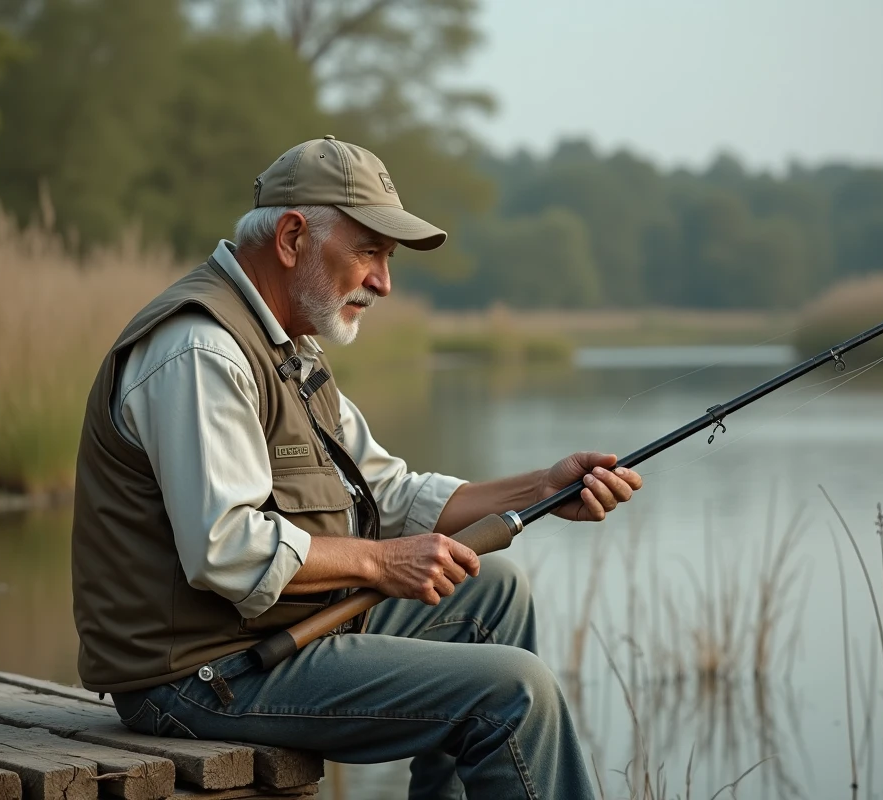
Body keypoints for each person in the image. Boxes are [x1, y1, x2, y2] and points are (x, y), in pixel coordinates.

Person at [70, 135, 643, 800]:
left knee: (495, 591)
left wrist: (541, 486)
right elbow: (223, 548)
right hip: (199, 677)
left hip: (277, 636)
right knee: (517, 693)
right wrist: (379, 562)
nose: (384, 282)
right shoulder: (201, 351)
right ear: (291, 238)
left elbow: (388, 492)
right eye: (369, 251)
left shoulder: (291, 348)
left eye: (388, 257)